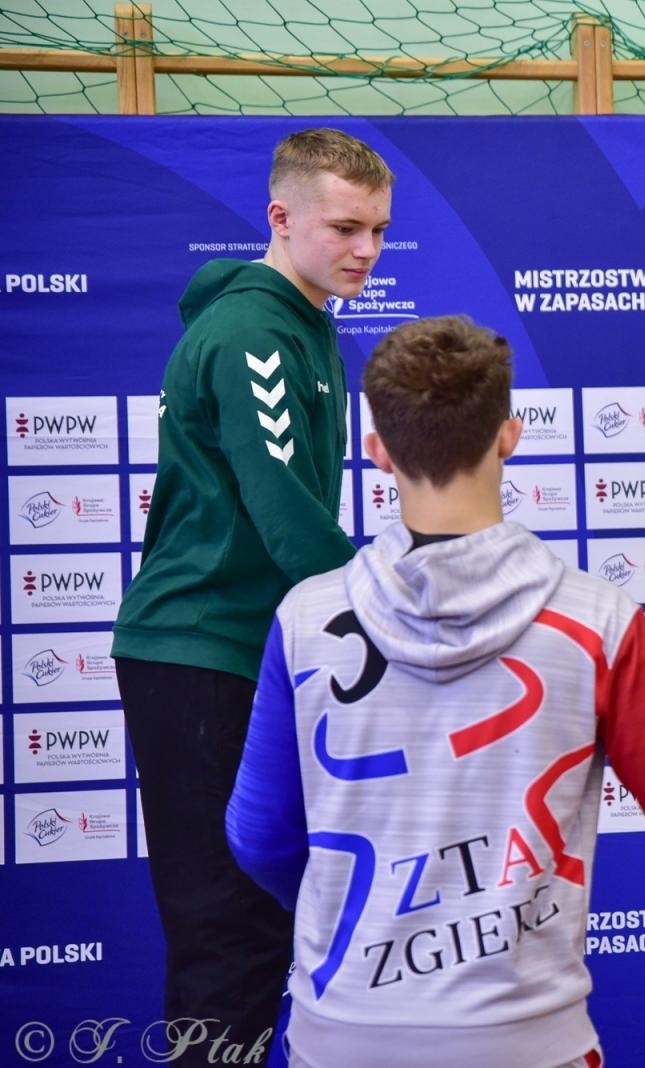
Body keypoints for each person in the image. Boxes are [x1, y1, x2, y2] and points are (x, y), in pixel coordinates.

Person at [225, 315, 645, 1067]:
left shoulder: (304, 616)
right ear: (509, 437)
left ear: (376, 452)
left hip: (343, 1031)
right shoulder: (597, 620)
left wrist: (358, 915)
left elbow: (259, 835)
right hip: (527, 1040)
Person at [112, 127, 393, 1060]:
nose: (365, 250)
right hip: (201, 652)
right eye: (346, 227)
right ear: (281, 218)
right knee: (227, 930)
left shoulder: (305, 325)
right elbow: (288, 524)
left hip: (252, 652)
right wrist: (404, 612)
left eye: (380, 232)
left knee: (259, 923)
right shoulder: (253, 333)